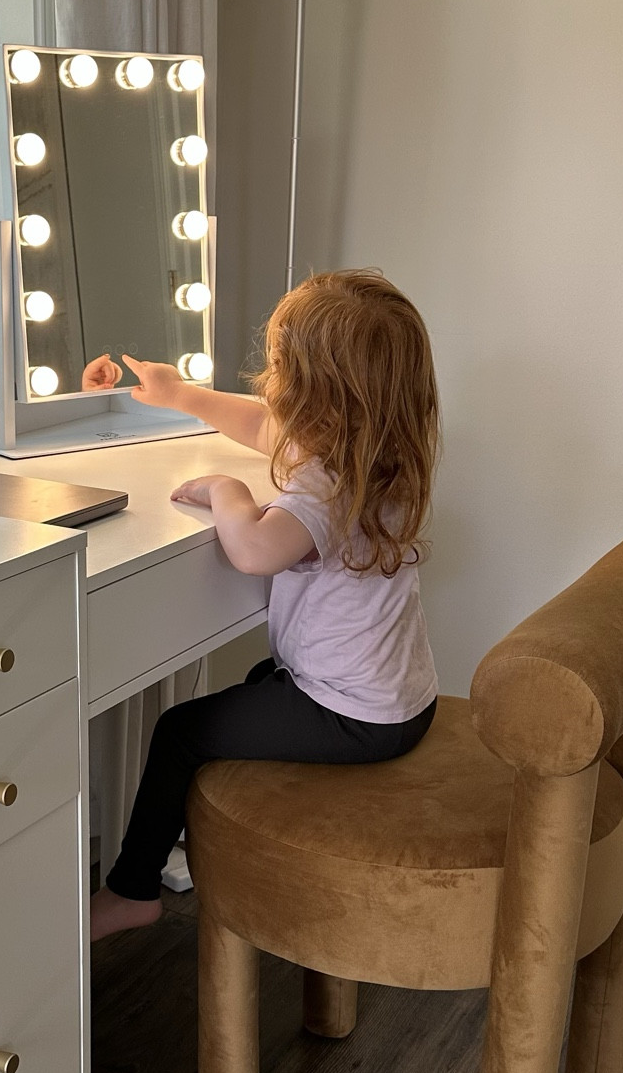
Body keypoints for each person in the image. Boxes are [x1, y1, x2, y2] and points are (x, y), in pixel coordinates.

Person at [90, 268, 441, 941]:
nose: (268, 379)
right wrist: (182, 395)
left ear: (318, 396)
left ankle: (133, 889)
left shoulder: (325, 488)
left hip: (355, 718)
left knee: (180, 732)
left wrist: (227, 491)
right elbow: (262, 428)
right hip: (401, 704)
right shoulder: (381, 456)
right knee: (254, 689)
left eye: (279, 364)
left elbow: (252, 551)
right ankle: (195, 841)